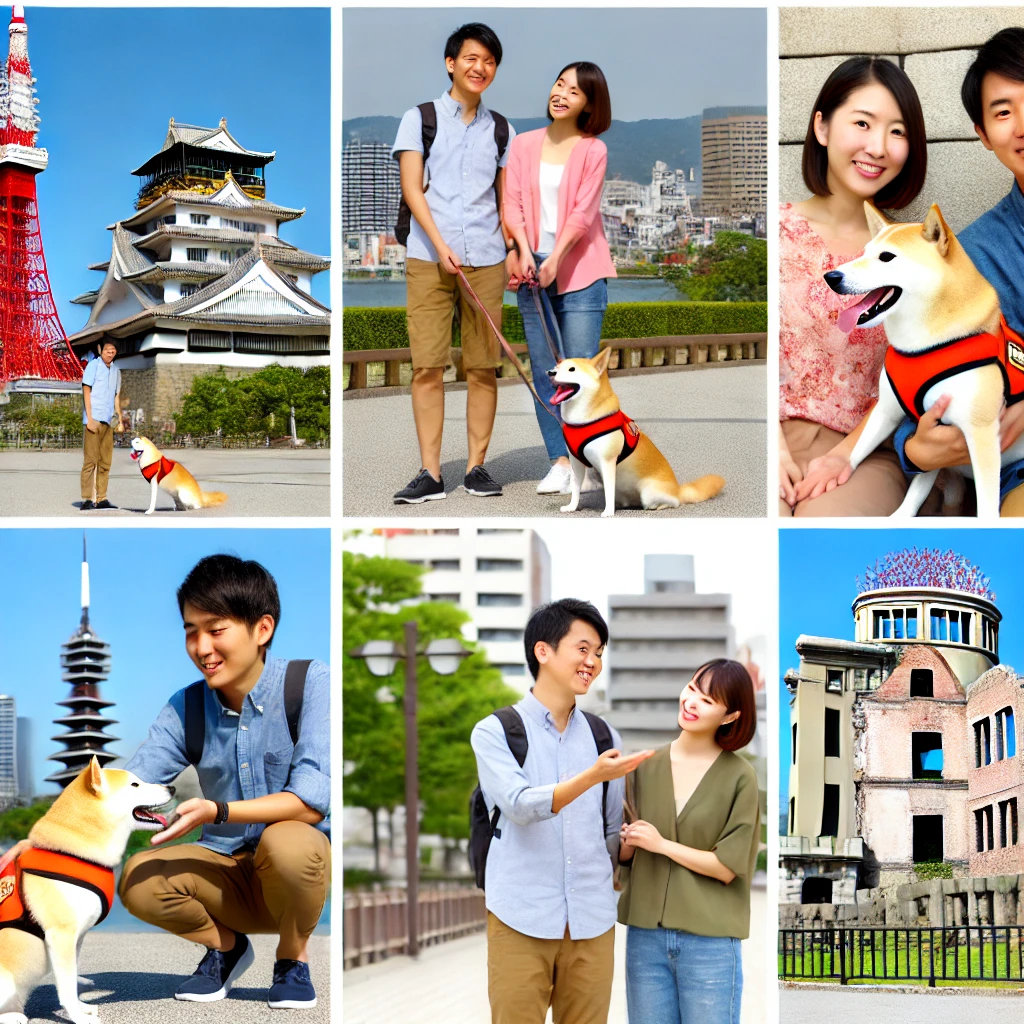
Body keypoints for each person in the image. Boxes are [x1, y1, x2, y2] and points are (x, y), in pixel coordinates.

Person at [116, 555, 330, 1008]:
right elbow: (125, 786)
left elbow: (311, 802)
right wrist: (43, 841)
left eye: (215, 630)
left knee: (291, 842)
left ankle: (292, 958)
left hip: (294, 874)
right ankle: (227, 949)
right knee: (137, 877)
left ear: (262, 629)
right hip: (224, 871)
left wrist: (218, 811)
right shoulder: (187, 707)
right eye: (190, 631)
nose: (201, 647)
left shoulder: (310, 683)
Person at [470, 598, 653, 1024]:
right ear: (543, 651)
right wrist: (590, 776)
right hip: (520, 915)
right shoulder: (495, 731)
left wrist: (629, 848)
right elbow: (517, 805)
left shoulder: (605, 734)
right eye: (584, 649)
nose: (593, 662)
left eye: (600, 654)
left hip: (593, 918)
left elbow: (610, 828)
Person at [779, 57, 929, 516]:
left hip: (865, 454)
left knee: (813, 538)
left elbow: (918, 375)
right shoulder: (775, 232)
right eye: (862, 123)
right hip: (773, 443)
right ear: (821, 127)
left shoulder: (916, 254)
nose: (878, 147)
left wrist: (845, 453)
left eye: (897, 132)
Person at [391, 23, 517, 504]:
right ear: (451, 63)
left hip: (487, 259)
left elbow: (505, 203)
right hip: (428, 257)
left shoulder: (502, 129)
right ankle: (430, 472)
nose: (479, 67)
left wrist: (514, 247)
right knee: (426, 367)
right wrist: (440, 243)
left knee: (483, 367)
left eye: (488, 61)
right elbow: (411, 188)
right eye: (471, 58)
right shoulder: (420, 118)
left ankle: (477, 467)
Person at [618, 659, 759, 1024]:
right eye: (693, 688)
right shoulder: (643, 767)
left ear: (730, 716)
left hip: (709, 942)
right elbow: (624, 859)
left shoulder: (740, 777)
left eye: (708, 699)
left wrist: (660, 844)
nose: (692, 702)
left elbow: (728, 867)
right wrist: (630, 844)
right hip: (645, 939)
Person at [503, 62, 617, 494]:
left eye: (575, 91)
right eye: (559, 84)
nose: (562, 94)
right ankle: (561, 462)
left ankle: (589, 461)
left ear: (590, 104)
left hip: (582, 269)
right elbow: (511, 204)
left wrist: (557, 258)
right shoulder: (524, 144)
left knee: (582, 372)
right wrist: (519, 249)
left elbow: (583, 214)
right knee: (547, 371)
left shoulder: (593, 150)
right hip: (531, 268)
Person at [80, 341, 124, 511]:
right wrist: (89, 418)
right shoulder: (93, 366)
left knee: (105, 461)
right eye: (107, 350)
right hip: (94, 418)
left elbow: (116, 397)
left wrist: (119, 420)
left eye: (113, 350)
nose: (110, 353)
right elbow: (86, 390)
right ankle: (86, 499)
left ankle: (102, 498)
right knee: (90, 461)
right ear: (101, 350)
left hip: (108, 420)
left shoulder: (116, 371)